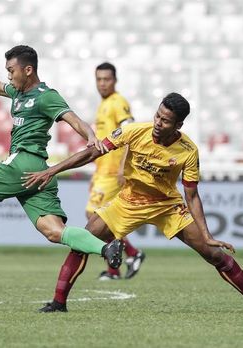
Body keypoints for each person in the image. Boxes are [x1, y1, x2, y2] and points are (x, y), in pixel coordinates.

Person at [24, 92, 243, 315]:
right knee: (82, 240)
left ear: (178, 126)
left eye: (166, 121)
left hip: (167, 206)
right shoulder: (133, 132)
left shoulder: (188, 151)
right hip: (127, 201)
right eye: (158, 116)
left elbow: (192, 195)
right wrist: (52, 170)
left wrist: (207, 235)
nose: (158, 123)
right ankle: (58, 303)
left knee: (214, 255)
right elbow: (92, 152)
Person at [0, 45, 123, 272]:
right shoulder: (18, 92)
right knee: (54, 231)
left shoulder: (46, 96)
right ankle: (107, 249)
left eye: (11, 70)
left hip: (22, 161)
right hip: (37, 172)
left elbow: (73, 119)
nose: (9, 75)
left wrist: (90, 136)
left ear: (28, 70)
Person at [89, 62, 145, 281]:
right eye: (99, 79)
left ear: (115, 80)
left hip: (114, 172)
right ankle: (123, 262)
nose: (102, 83)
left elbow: (131, 133)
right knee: (103, 219)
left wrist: (124, 166)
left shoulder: (118, 102)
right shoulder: (103, 104)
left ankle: (127, 258)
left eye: (107, 79)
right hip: (103, 170)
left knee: (95, 218)